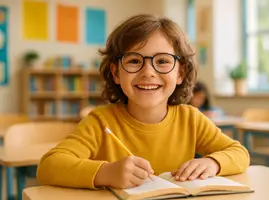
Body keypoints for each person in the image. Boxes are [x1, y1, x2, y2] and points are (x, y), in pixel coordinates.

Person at [37, 14, 249, 190]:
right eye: (134, 61)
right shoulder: (100, 122)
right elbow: (48, 167)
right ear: (116, 73)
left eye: (163, 61)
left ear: (180, 73)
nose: (148, 72)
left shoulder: (190, 118)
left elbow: (239, 153)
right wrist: (105, 173)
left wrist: (213, 163)